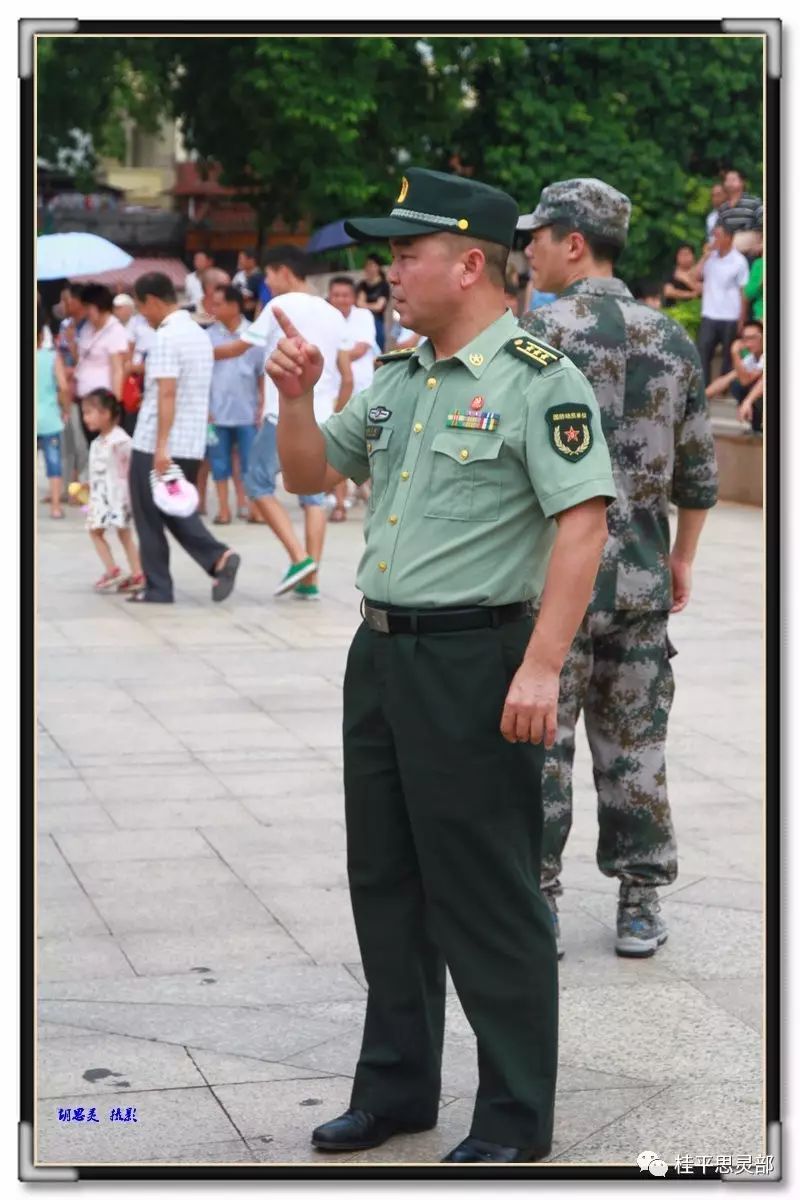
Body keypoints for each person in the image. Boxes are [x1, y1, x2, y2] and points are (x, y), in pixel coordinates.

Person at [268, 167, 616, 1164]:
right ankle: (394, 1092)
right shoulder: (395, 378)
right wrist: (296, 400)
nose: (388, 271)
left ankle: (513, 1115)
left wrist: (542, 667)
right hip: (379, 656)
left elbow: (581, 526)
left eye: (404, 253)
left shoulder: (536, 379)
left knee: (484, 889)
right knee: (385, 879)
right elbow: (305, 475)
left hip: (478, 658)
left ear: (469, 263)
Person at [518, 177, 718, 960]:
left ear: (574, 243)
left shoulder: (534, 333)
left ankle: (541, 901)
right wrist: (682, 559)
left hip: (549, 586)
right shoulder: (669, 337)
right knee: (635, 746)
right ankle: (640, 903)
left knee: (541, 744)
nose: (527, 248)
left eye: (538, 235)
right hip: (639, 582)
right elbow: (699, 472)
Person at [212, 245, 353, 600]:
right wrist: (338, 412)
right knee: (314, 495)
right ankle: (310, 579)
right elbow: (347, 375)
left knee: (256, 482)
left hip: (286, 414)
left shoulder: (280, 307)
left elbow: (238, 347)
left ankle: (299, 557)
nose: (268, 284)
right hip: (325, 418)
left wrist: (197, 350)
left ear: (284, 271)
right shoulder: (334, 314)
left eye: (269, 275)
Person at [128, 272, 241, 605]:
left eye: (140, 307)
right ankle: (217, 560)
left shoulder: (166, 337)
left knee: (148, 515)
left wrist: (160, 447)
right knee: (173, 509)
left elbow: (167, 394)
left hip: (156, 441)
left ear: (152, 301)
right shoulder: (196, 333)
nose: (141, 315)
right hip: (190, 442)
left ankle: (160, 586)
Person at [206, 285, 265, 525]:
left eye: (218, 304)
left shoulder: (254, 334)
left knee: (250, 464)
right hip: (215, 413)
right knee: (218, 463)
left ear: (234, 306)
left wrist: (262, 405)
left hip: (247, 411)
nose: (213, 309)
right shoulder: (207, 335)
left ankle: (253, 508)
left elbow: (262, 373)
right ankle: (223, 510)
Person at [80, 388, 144, 593]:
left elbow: (133, 465)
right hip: (101, 496)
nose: (85, 418)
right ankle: (127, 572)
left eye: (89, 413)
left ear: (106, 414)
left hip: (117, 496)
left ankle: (127, 572)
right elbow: (99, 469)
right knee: (101, 531)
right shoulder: (98, 442)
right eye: (84, 413)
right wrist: (89, 485)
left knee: (117, 532)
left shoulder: (121, 440)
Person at [327, 276, 379, 521]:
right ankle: (339, 503)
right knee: (338, 445)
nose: (340, 300)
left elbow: (362, 348)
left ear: (353, 296)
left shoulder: (363, 316)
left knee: (369, 446)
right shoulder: (324, 317)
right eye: (335, 295)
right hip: (333, 392)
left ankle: (365, 489)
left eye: (345, 295)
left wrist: (337, 356)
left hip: (363, 391)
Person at [693, 219, 750, 384]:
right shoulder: (710, 258)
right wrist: (704, 257)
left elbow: (743, 292)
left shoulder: (739, 261)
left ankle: (723, 388)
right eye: (713, 236)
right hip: (709, 313)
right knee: (703, 350)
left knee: (727, 355)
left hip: (730, 315)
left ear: (729, 238)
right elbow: (695, 276)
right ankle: (704, 387)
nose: (714, 240)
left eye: (718, 236)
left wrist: (742, 318)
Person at [74, 284, 130, 447]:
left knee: (106, 447)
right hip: (85, 398)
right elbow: (83, 358)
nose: (85, 312)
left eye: (88, 307)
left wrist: (116, 404)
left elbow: (118, 369)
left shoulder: (115, 331)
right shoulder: (87, 328)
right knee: (93, 447)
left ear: (99, 306)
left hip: (103, 402)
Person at [56, 283, 90, 491]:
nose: (64, 304)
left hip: (82, 391)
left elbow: (85, 361)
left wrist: (72, 342)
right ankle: (68, 486)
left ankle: (82, 485)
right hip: (66, 389)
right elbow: (60, 355)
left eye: (67, 300)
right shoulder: (66, 325)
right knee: (66, 440)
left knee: (80, 442)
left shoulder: (89, 327)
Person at [37, 316, 71, 518]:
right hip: (49, 416)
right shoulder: (52, 357)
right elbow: (64, 387)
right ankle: (56, 507)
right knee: (53, 460)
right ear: (41, 336)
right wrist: (65, 409)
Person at [705, 319, 764, 432]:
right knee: (735, 383)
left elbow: (754, 381)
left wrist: (735, 354)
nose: (748, 343)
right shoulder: (751, 358)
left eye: (752, 338)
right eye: (745, 339)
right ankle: (757, 427)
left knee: (746, 387)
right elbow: (727, 379)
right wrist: (701, 398)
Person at [356, 253, 391, 351]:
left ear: (378, 267)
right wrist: (371, 305)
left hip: (377, 322)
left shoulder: (383, 285)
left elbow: (379, 307)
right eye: (367, 265)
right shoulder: (362, 285)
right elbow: (359, 304)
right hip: (362, 322)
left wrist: (365, 305)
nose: (369, 268)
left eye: (371, 265)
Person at [231, 248, 264, 318]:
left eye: (241, 259)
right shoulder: (238, 275)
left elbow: (245, 297)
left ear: (251, 260)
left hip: (251, 316)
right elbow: (230, 293)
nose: (239, 262)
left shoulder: (258, 276)